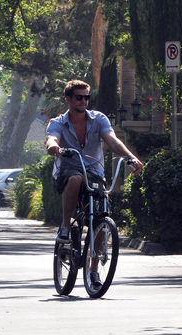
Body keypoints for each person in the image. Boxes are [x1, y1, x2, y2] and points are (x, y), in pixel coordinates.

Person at [46, 79, 143, 246]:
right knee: (76, 179)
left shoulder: (99, 119)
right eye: (79, 98)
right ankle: (65, 225)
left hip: (94, 172)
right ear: (69, 99)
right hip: (70, 170)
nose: (84, 101)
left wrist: (130, 157)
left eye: (86, 97)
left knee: (100, 215)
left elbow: (112, 141)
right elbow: (51, 139)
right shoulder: (58, 123)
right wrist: (54, 147)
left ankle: (94, 269)